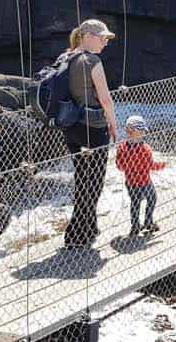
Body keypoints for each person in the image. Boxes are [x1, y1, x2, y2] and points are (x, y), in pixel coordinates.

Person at [61, 18, 120, 249]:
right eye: (102, 38)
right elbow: (105, 98)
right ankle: (76, 234)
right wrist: (113, 124)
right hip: (93, 128)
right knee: (94, 180)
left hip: (71, 127)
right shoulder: (92, 60)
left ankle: (90, 226)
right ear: (87, 36)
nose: (105, 42)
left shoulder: (66, 56)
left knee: (82, 177)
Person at [115, 114, 166, 236]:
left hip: (131, 182)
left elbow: (119, 166)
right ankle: (148, 222)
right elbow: (151, 165)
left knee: (135, 203)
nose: (144, 133)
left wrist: (129, 165)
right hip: (145, 182)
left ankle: (135, 226)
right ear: (135, 131)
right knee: (152, 199)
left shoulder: (122, 147)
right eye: (142, 131)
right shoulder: (145, 149)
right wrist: (162, 165)